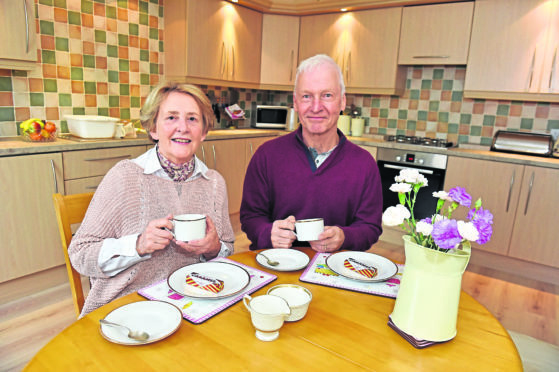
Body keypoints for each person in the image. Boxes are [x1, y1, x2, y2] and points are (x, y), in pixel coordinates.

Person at [69, 82, 234, 317]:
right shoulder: (125, 176)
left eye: (192, 119)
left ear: (204, 132)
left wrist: (214, 247)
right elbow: (80, 254)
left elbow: (227, 249)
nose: (182, 128)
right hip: (127, 306)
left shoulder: (214, 183)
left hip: (192, 303)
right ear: (153, 129)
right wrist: (138, 245)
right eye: (171, 118)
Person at [240, 54, 383, 253]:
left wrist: (344, 237)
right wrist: (268, 233)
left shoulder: (364, 163)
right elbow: (251, 217)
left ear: (342, 102)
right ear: (296, 103)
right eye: (307, 96)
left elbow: (370, 228)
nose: (316, 107)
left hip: (336, 271)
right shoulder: (267, 155)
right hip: (276, 266)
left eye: (327, 95)